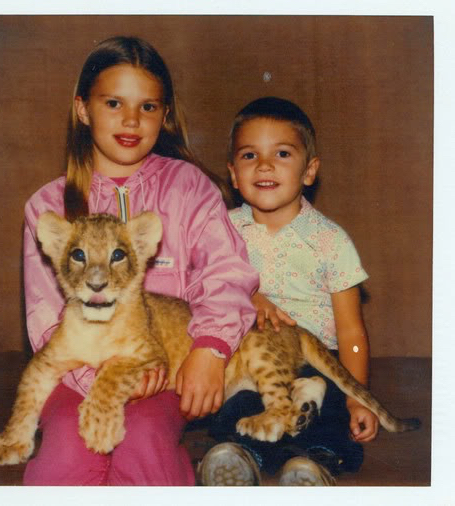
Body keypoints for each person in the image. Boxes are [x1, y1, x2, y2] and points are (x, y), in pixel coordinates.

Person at [22, 36, 258, 486]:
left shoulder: (189, 187)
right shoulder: (48, 206)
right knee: (67, 450)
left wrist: (210, 349)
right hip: (76, 375)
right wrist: (104, 381)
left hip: (165, 371)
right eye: (114, 103)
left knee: (143, 436)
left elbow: (226, 274)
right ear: (83, 109)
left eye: (148, 107)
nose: (131, 120)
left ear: (164, 115)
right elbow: (45, 318)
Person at [197, 96, 379, 486]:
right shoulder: (222, 230)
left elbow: (351, 331)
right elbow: (201, 288)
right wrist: (247, 294)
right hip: (249, 362)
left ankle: (313, 465)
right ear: (233, 174)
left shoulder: (330, 240)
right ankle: (241, 458)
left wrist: (357, 398)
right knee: (237, 407)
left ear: (309, 170)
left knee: (330, 409)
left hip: (314, 359)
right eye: (249, 155)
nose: (264, 165)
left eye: (281, 153)